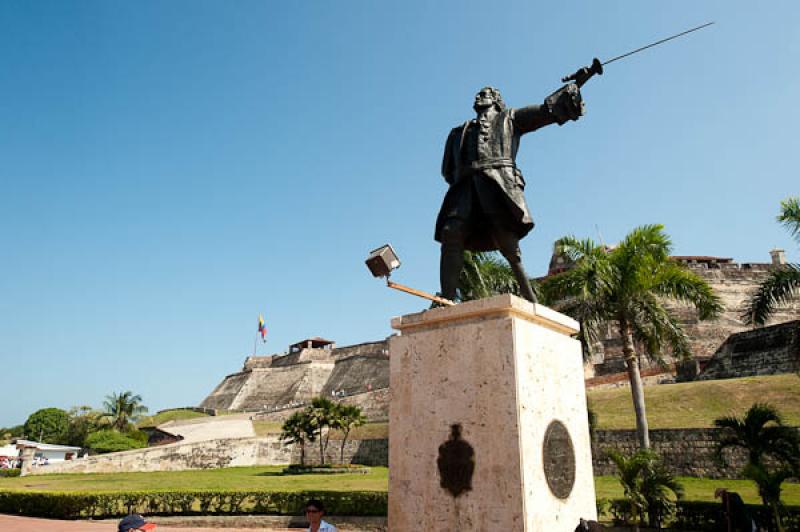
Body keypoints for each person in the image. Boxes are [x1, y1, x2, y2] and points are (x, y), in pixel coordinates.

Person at [436, 84, 585, 303]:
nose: (478, 96)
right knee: (450, 233)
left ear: (496, 100)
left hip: (496, 185)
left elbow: (545, 112)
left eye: (485, 94)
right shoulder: (458, 132)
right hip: (463, 187)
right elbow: (448, 170)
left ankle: (531, 299)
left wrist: (572, 88)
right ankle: (446, 300)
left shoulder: (510, 118)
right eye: (478, 94)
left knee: (508, 245)